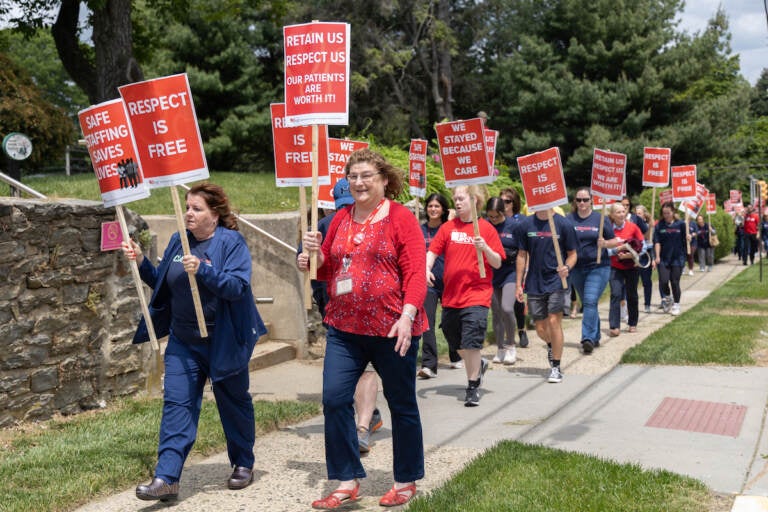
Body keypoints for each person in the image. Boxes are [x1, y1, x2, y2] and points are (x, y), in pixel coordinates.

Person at [299, 148, 426, 509]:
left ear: (384, 180)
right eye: (353, 176)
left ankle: (405, 480)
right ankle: (346, 478)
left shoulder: (401, 219)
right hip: (344, 327)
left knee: (401, 404)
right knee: (334, 399)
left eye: (366, 175)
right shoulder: (340, 218)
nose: (358, 182)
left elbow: (416, 274)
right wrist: (311, 257)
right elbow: (325, 270)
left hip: (393, 329)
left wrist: (407, 316)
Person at [123, 183, 267, 501]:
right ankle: (167, 477)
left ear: (215, 215)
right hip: (184, 341)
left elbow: (237, 287)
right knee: (177, 404)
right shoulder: (179, 241)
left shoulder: (232, 243)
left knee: (233, 403)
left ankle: (243, 463)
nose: (188, 212)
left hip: (224, 340)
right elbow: (164, 281)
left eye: (196, 208)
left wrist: (203, 270)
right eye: (187, 206)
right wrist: (142, 262)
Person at [298, 179, 383, 453]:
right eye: (341, 207)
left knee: (366, 370)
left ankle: (362, 427)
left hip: (370, 313)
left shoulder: (378, 223)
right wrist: (305, 259)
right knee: (352, 375)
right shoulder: (325, 226)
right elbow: (306, 261)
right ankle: (366, 417)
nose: (346, 212)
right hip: (336, 313)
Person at [427, 185, 503, 406]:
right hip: (451, 296)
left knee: (471, 341)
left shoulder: (487, 229)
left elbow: (497, 262)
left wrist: (486, 248)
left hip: (477, 295)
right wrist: (426, 268)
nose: (456, 202)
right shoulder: (448, 228)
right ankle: (478, 365)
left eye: (461, 199)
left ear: (474, 200)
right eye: (455, 199)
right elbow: (432, 252)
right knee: (453, 338)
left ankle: (472, 385)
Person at [515, 207, 577, 383]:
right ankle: (551, 345)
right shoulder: (526, 224)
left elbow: (573, 254)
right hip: (535, 281)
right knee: (541, 328)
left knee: (553, 321)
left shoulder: (563, 224)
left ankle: (556, 367)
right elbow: (521, 255)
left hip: (557, 280)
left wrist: (567, 267)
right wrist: (519, 284)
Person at [567, 188, 617, 354]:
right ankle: (595, 336)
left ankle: (587, 337)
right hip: (577, 268)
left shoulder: (600, 219)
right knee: (590, 302)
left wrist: (605, 244)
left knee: (589, 300)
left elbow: (614, 240)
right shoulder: (569, 219)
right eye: (579, 200)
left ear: (591, 201)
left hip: (598, 266)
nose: (582, 203)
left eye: (585, 200)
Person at [418, 193, 462, 379]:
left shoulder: (449, 229)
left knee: (451, 322)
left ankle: (456, 354)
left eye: (437, 206)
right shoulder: (419, 230)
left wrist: (453, 219)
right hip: (427, 282)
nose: (433, 209)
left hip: (450, 281)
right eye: (430, 206)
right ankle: (429, 365)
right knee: (426, 322)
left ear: (443, 209)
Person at [485, 196, 519, 365]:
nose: (493, 220)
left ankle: (511, 345)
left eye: (496, 216)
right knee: (496, 312)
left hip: (510, 272)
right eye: (490, 216)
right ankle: (500, 348)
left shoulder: (514, 225)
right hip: (492, 273)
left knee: (506, 307)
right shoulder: (484, 225)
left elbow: (522, 251)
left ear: (503, 212)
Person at [606, 203, 644, 336]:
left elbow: (642, 247)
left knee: (632, 294)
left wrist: (631, 255)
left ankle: (632, 323)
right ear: (612, 215)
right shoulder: (608, 229)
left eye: (623, 211)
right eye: (618, 212)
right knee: (615, 294)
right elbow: (604, 249)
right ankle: (614, 326)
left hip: (632, 266)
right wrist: (617, 250)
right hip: (615, 267)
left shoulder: (633, 227)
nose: (621, 214)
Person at [500, 188, 529, 348]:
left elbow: (526, 249)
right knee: (503, 304)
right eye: (502, 201)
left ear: (514, 203)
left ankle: (521, 329)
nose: (504, 204)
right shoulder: (496, 220)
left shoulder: (522, 221)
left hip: (517, 267)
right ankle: (506, 332)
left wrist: (526, 270)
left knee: (518, 301)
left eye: (508, 201)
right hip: (499, 268)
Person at [654, 202, 688, 316]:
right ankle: (668, 297)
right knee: (663, 281)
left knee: (675, 281)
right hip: (664, 258)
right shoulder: (659, 225)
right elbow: (657, 242)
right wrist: (657, 256)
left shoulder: (681, 224)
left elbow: (686, 238)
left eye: (668, 213)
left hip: (677, 258)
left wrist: (688, 237)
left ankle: (676, 304)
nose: (666, 215)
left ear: (673, 212)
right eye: (664, 213)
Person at [635, 205, 655, 313]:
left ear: (644, 215)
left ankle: (647, 304)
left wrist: (653, 259)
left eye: (639, 213)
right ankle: (632, 305)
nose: (637, 216)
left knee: (646, 282)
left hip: (646, 256)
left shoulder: (649, 226)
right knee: (632, 283)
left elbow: (651, 242)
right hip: (634, 257)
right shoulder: (631, 226)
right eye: (636, 213)